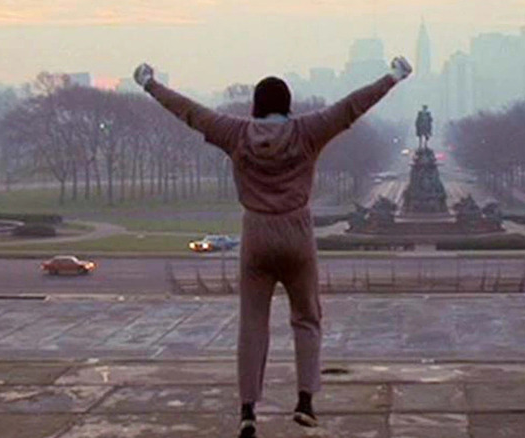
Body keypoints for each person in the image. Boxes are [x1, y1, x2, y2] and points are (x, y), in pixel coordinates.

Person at [133, 56, 412, 438]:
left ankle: (248, 410)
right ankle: (305, 401)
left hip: (257, 234)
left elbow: (190, 112)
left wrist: (151, 84)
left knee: (252, 325)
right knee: (307, 318)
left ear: (256, 107)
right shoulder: (307, 131)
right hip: (297, 232)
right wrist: (392, 77)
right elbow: (351, 107)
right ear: (287, 105)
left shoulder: (236, 133)